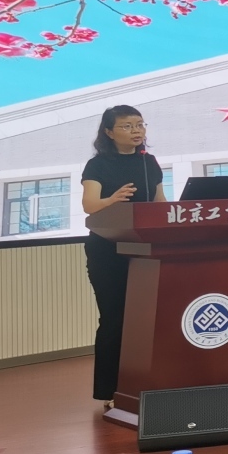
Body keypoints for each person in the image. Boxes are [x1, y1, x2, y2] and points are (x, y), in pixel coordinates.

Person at [79, 105, 165, 404]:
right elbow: (90, 205)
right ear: (109, 132)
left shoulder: (148, 162)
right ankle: (110, 390)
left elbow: (159, 203)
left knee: (150, 319)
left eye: (140, 124)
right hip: (108, 252)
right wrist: (113, 199)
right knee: (115, 319)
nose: (136, 131)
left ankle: (147, 383)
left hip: (145, 250)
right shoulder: (98, 165)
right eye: (127, 126)